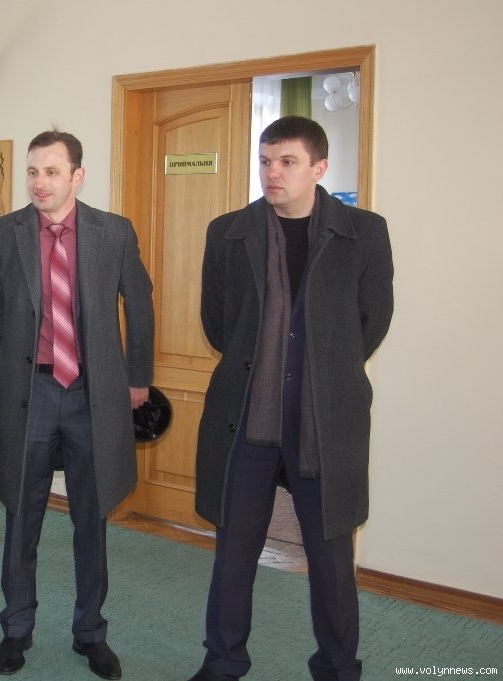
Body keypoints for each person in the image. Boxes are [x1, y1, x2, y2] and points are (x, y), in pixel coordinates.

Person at [188, 116, 394, 681]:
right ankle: (223, 661)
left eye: (287, 162)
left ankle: (338, 666)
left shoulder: (364, 233)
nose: (272, 173)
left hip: (326, 423)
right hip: (246, 421)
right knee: (234, 553)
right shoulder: (229, 232)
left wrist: (322, 368)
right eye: (265, 161)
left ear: (319, 167)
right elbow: (218, 323)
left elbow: (371, 322)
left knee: (331, 560)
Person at [0, 130, 155, 680]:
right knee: (21, 513)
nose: (39, 182)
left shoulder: (113, 232)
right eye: (32, 171)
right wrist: (30, 349)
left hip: (93, 396)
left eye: (51, 171)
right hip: (32, 393)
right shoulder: (2, 234)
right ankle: (16, 629)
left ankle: (90, 632)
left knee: (90, 519)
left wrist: (137, 377)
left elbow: (139, 303)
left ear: (77, 176)